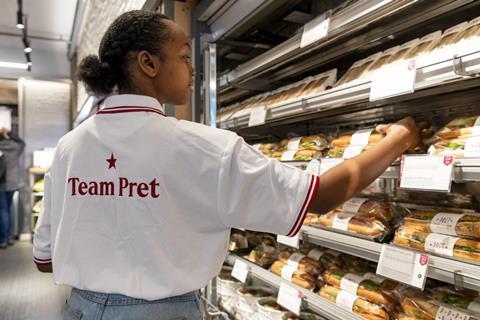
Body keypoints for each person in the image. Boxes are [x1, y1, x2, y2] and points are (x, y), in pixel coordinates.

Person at [33, 10, 424, 320]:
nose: (193, 70)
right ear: (148, 64)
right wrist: (399, 138)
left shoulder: (68, 148)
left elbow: (45, 259)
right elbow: (320, 196)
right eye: (185, 57)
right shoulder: (203, 147)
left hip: (80, 309)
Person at [0, 126, 25, 249]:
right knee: (8, 209)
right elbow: (22, 142)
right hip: (13, 183)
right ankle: (9, 237)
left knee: (3, 211)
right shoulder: (16, 147)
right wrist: (9, 132)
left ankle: (3, 239)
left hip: (2, 183)